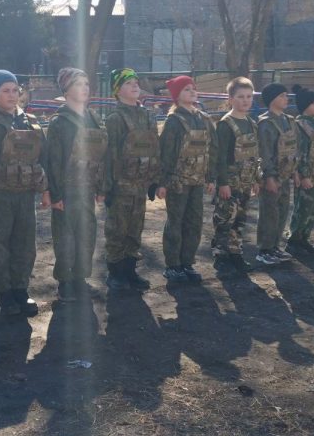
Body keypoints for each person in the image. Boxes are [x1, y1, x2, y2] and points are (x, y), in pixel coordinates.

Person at [0, 69, 49, 317]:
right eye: (5, 90)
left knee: (25, 244)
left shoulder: (30, 122)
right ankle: (3, 294)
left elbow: (43, 158)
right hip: (0, 195)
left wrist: (45, 190)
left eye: (15, 90)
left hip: (26, 194)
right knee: (0, 245)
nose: (11, 95)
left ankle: (20, 289)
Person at [46, 67, 108, 302]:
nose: (85, 88)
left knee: (86, 235)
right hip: (66, 190)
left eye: (86, 84)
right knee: (65, 238)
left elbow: (101, 154)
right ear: (66, 90)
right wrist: (55, 194)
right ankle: (65, 282)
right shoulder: (59, 122)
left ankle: (80, 279)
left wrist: (101, 187)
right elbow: (53, 161)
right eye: (78, 84)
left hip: (87, 188)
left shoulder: (94, 118)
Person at [103, 67, 160, 290]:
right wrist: (108, 187)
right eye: (128, 83)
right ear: (117, 90)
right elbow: (109, 155)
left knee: (135, 229)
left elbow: (154, 149)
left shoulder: (147, 115)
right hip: (121, 186)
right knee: (117, 230)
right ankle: (115, 274)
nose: (135, 85)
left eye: (136, 81)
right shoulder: (115, 119)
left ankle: (130, 271)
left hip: (140, 184)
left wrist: (155, 180)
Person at [157, 75, 217, 285]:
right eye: (186, 90)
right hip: (177, 183)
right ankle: (172, 265)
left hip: (198, 182)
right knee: (176, 222)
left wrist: (211, 177)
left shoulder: (204, 119)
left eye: (193, 88)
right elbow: (166, 153)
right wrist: (162, 182)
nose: (192, 92)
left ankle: (187, 262)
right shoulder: (173, 121)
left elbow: (213, 150)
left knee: (194, 221)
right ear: (176, 96)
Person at [211, 76, 260, 275]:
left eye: (249, 96)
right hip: (230, 183)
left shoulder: (251, 123)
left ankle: (235, 252)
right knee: (224, 219)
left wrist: (256, 179)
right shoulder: (225, 125)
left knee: (240, 219)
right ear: (230, 98)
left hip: (246, 182)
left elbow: (255, 155)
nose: (245, 100)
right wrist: (222, 183)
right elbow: (220, 157)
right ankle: (220, 255)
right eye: (240, 96)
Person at [286, 84, 314, 255]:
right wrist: (303, 175)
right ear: (305, 104)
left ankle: (304, 238)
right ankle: (294, 240)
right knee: (303, 208)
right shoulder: (300, 125)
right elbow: (300, 152)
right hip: (308, 174)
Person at [255, 82, 297, 266]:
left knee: (282, 212)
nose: (286, 99)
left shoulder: (288, 120)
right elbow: (265, 153)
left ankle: (274, 246)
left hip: (285, 175)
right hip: (272, 177)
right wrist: (269, 177)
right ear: (272, 99)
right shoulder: (266, 123)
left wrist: (295, 171)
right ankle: (264, 250)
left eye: (286, 95)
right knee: (269, 213)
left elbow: (293, 149)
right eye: (282, 96)